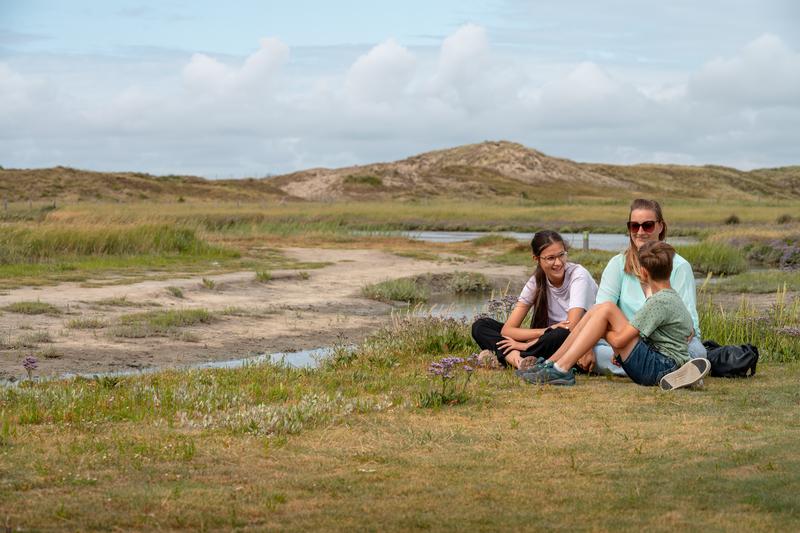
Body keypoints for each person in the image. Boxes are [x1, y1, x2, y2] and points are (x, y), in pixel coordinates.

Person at [518, 241, 711, 389]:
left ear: (643, 273)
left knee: (606, 310)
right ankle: (554, 364)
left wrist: (601, 331)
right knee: (599, 309)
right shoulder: (672, 297)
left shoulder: (657, 303)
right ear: (669, 270)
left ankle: (560, 369)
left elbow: (619, 342)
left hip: (659, 367)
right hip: (661, 361)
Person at [589, 198, 706, 376]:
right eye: (634, 226)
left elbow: (691, 327)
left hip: (666, 344)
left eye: (648, 225)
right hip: (626, 339)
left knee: (698, 351)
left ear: (661, 227)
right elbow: (601, 311)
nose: (640, 231)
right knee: (597, 350)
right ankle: (667, 370)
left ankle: (635, 365)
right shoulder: (617, 264)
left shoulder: (679, 266)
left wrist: (625, 343)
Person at [471, 230, 597, 369]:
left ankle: (509, 357)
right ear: (536, 259)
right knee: (481, 325)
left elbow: (571, 326)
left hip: (570, 338)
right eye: (550, 258)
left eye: (562, 255)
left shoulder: (578, 275)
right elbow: (507, 330)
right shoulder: (535, 282)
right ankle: (517, 360)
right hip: (545, 338)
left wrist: (526, 344)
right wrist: (545, 331)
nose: (558, 262)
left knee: (561, 333)